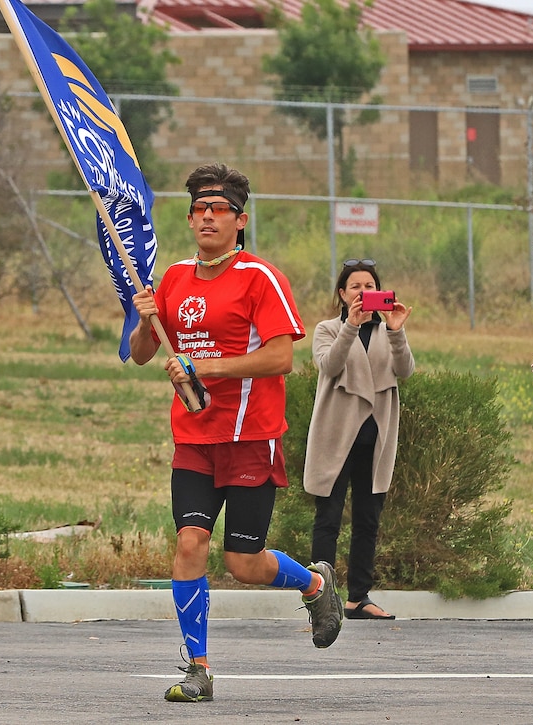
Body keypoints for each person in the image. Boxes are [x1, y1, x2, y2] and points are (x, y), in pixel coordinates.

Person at [130, 163, 344, 703]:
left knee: (243, 563)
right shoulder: (174, 278)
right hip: (194, 437)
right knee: (189, 543)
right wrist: (143, 318)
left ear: (239, 220)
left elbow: (279, 358)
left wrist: (208, 368)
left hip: (251, 436)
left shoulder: (259, 277)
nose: (206, 217)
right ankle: (197, 669)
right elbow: (141, 354)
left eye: (217, 209)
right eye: (199, 209)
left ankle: (315, 584)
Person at [303, 259, 414, 621]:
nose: (363, 292)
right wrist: (351, 326)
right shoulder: (327, 329)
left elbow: (406, 371)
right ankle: (321, 596)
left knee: (368, 519)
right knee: (329, 518)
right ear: (342, 293)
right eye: (356, 287)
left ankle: (358, 598)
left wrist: (397, 331)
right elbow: (329, 366)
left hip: (376, 437)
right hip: (336, 436)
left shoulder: (387, 331)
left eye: (370, 286)